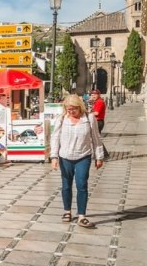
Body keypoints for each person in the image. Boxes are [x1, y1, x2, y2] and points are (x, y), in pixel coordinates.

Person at [50, 94, 104, 229]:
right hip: (65, 157)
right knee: (66, 185)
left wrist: (99, 157)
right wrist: (54, 157)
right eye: (68, 109)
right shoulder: (62, 119)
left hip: (83, 156)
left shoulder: (89, 118)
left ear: (80, 107)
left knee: (81, 185)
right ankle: (67, 211)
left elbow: (96, 138)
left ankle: (81, 216)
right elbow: (55, 138)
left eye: (74, 109)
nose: (71, 112)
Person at [89, 90, 109, 158]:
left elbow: (96, 113)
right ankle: (102, 153)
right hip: (97, 121)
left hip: (98, 122)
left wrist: (87, 113)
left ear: (98, 95)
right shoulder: (96, 102)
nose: (93, 96)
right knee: (96, 138)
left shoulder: (99, 102)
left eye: (94, 95)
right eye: (91, 95)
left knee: (96, 138)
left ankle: (103, 153)